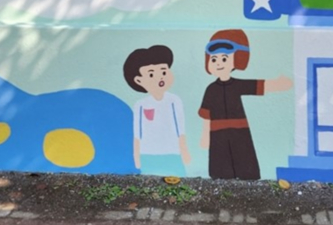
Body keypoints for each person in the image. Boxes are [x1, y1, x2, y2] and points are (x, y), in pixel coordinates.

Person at [198, 29, 292, 180]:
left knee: (245, 162)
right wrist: (204, 137)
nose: (219, 63)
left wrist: (278, 84)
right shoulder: (211, 89)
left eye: (224, 58)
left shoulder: (238, 85)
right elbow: (206, 114)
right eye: (214, 59)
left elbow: (256, 85)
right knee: (220, 166)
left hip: (240, 131)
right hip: (217, 133)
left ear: (237, 59)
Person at [123, 45, 191, 176]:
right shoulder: (140, 105)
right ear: (139, 80)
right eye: (151, 74)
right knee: (149, 179)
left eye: (164, 72)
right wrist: (136, 157)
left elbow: (180, 128)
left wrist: (184, 151)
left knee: (178, 179)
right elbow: (137, 133)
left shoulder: (174, 100)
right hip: (147, 153)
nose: (160, 78)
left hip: (173, 152)